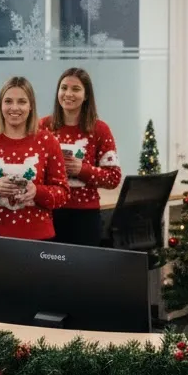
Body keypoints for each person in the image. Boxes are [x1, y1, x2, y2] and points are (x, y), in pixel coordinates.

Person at [0, 76, 69, 240]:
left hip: (38, 239)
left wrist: (37, 191)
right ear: (0, 105)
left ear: (31, 107)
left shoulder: (48, 141)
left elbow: (63, 194)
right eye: (8, 101)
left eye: (22, 101)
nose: (14, 107)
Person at [39, 67, 121, 247]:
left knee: (82, 273)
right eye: (64, 88)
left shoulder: (100, 130)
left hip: (85, 217)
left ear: (86, 96)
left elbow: (113, 178)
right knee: (49, 273)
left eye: (75, 89)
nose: (68, 94)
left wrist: (82, 170)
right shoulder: (43, 126)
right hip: (48, 213)